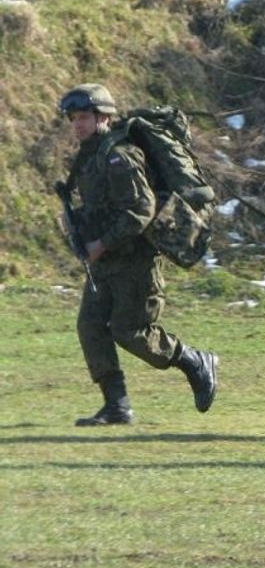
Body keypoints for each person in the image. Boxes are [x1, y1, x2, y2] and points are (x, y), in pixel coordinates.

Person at [58, 84, 218, 426]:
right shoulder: (91, 155)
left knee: (131, 331)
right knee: (90, 327)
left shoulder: (120, 156)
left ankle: (193, 360)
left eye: (84, 117)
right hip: (105, 262)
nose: (78, 124)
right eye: (73, 118)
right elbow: (101, 206)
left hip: (134, 261)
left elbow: (141, 211)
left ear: (103, 117)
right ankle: (116, 406)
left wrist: (101, 243)